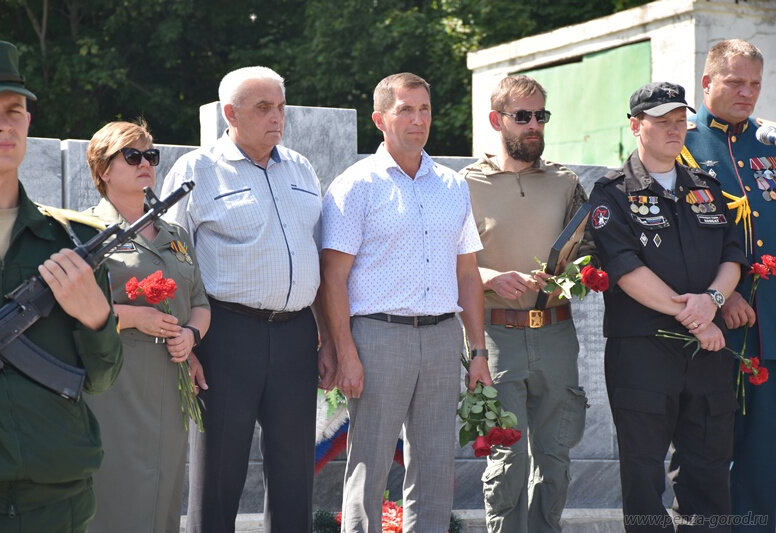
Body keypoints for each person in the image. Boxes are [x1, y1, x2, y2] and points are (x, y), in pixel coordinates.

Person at [160, 66, 331, 533]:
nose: (277, 117)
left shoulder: (301, 167)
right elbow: (172, 262)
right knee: (219, 474)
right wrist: (188, 345)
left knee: (296, 473)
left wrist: (329, 340)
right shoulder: (196, 171)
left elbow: (315, 255)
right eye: (263, 108)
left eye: (280, 106)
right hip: (227, 334)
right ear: (229, 114)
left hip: (297, 333)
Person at [320, 72, 492, 532]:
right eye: (405, 110)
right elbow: (332, 277)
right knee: (370, 463)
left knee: (436, 466)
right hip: (377, 336)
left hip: (441, 337)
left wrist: (478, 352)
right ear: (380, 119)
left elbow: (467, 273)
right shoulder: (356, 185)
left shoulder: (453, 186)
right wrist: (344, 351)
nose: (418, 120)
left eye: (425, 110)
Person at [0, 40, 123, 532]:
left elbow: (102, 379)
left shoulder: (71, 243)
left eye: (14, 110)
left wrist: (96, 317)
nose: (3, 123)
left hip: (58, 498)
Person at [589, 81, 747, 531]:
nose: (675, 129)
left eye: (680, 120)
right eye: (662, 121)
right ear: (636, 126)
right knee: (642, 474)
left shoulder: (707, 187)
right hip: (643, 352)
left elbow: (733, 257)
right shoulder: (612, 193)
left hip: (707, 356)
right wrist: (698, 318)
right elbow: (626, 270)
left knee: (709, 470)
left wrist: (713, 300)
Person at [460, 74, 589, 533]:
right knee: (508, 459)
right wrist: (493, 276)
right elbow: (440, 265)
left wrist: (570, 278)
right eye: (522, 116)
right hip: (496, 337)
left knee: (553, 459)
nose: (534, 125)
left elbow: (590, 250)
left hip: (557, 334)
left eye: (541, 116)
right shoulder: (463, 185)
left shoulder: (566, 183)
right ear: (497, 120)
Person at [82, 120, 211, 533]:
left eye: (150, 156)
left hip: (169, 383)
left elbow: (200, 303)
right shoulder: (84, 232)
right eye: (132, 155)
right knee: (118, 489)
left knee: (164, 489)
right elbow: (71, 307)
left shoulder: (175, 234)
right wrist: (136, 315)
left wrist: (190, 337)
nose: (145, 164)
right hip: (116, 379)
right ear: (103, 170)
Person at [678, 39, 776, 531]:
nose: (747, 92)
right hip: (714, 323)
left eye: (755, 83)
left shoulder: (770, 143)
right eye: (736, 81)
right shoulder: (680, 143)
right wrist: (725, 293)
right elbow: (672, 239)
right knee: (709, 447)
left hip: (770, 326)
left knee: (765, 451)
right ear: (707, 83)